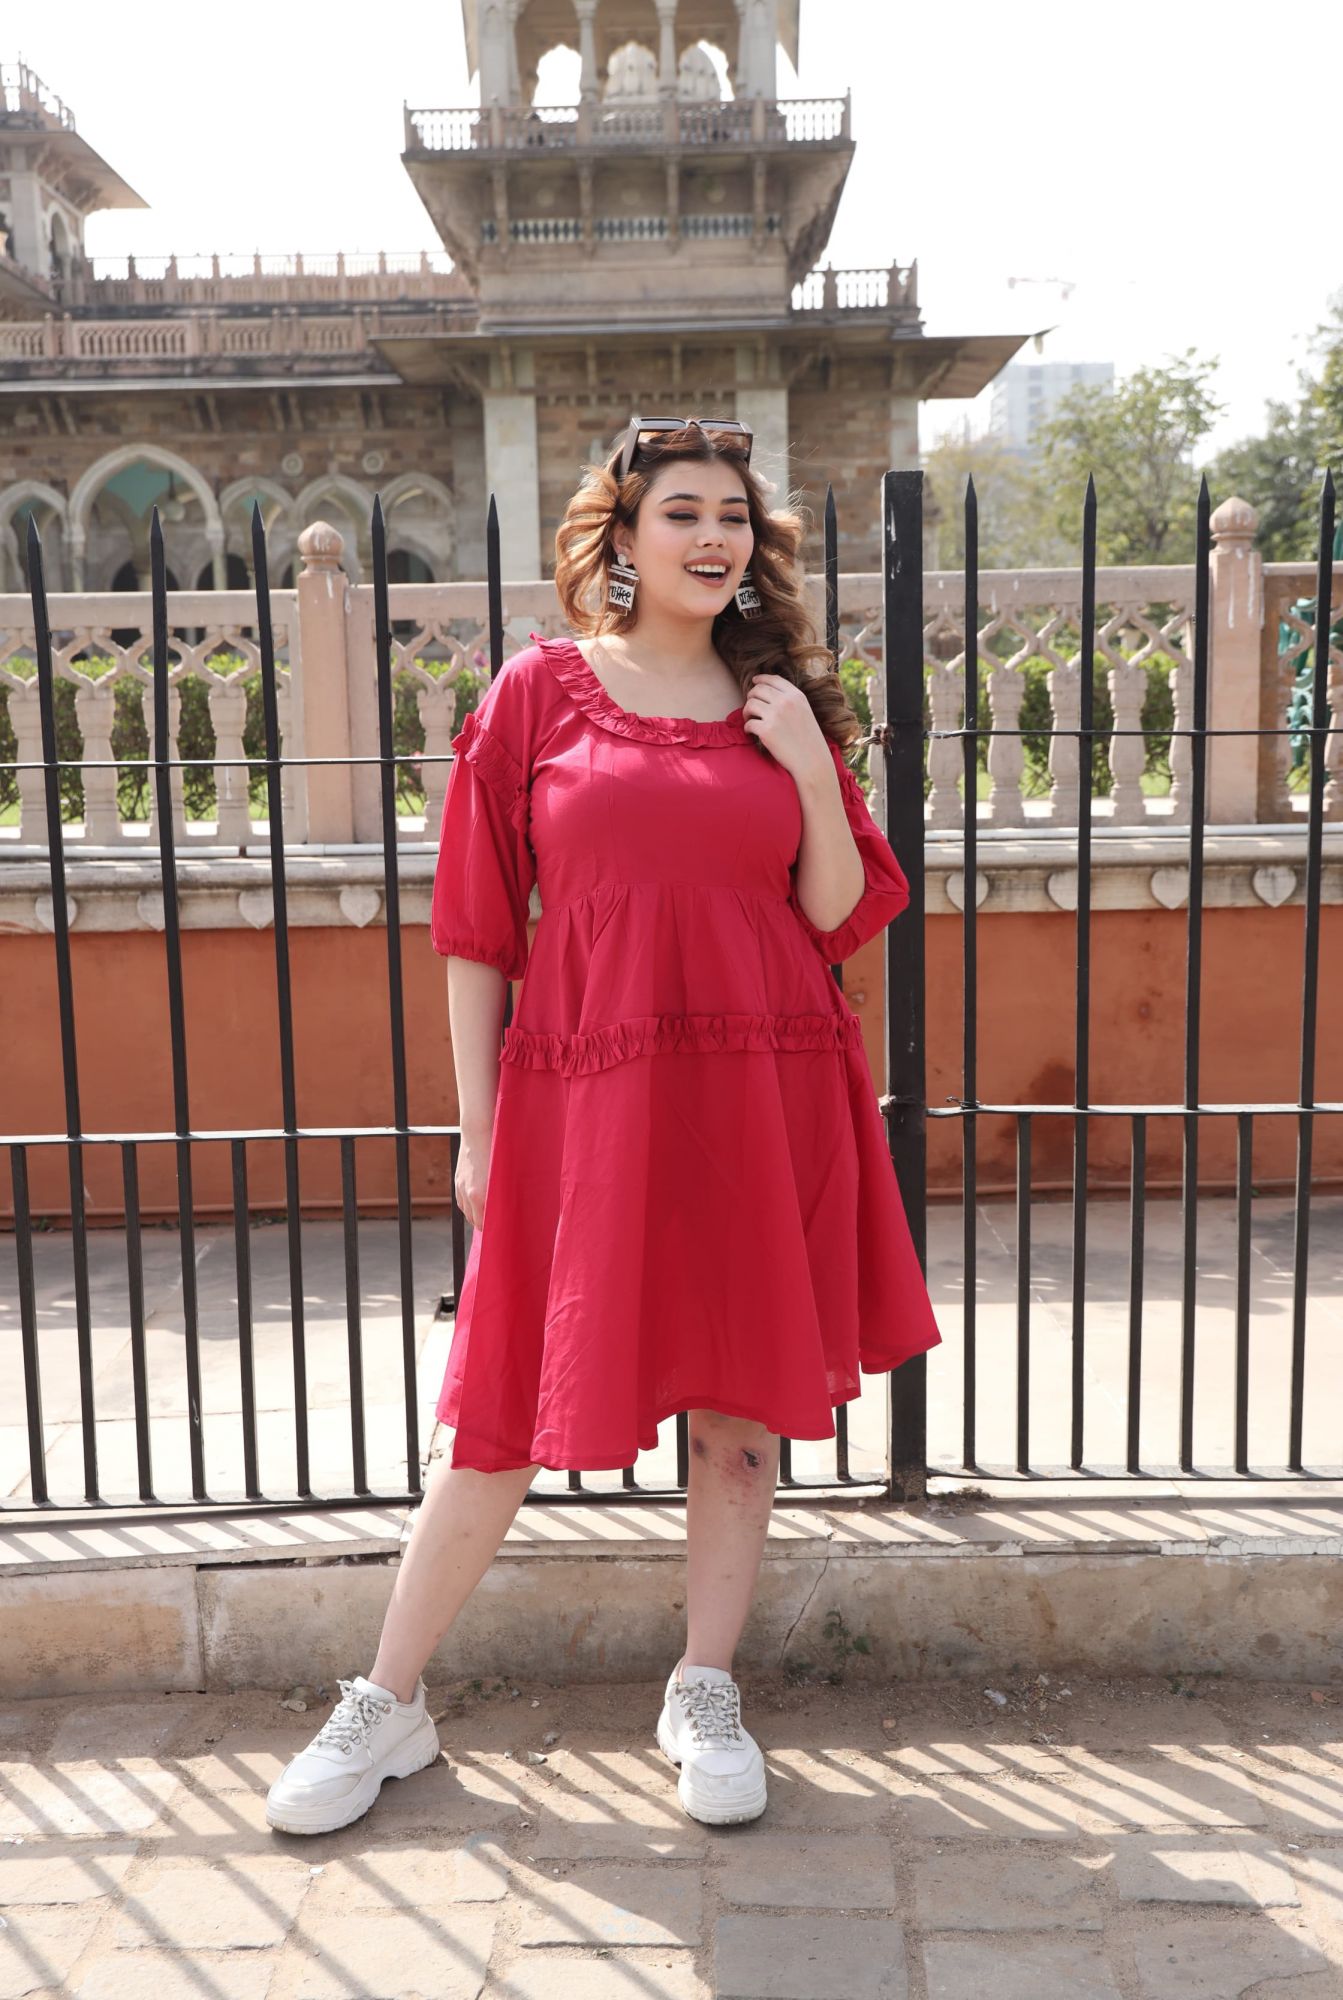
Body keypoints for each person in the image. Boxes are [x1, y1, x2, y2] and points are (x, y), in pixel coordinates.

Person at [265, 414, 943, 1838]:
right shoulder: (543, 694)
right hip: (587, 1094)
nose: (713, 537)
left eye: (735, 518)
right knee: (502, 1409)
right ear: (622, 539)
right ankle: (388, 1703)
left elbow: (835, 913)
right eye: (682, 511)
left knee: (743, 1416)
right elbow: (472, 927)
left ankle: (703, 1685)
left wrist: (810, 766)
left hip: (763, 1089)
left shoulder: (787, 708)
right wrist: (480, 1125)